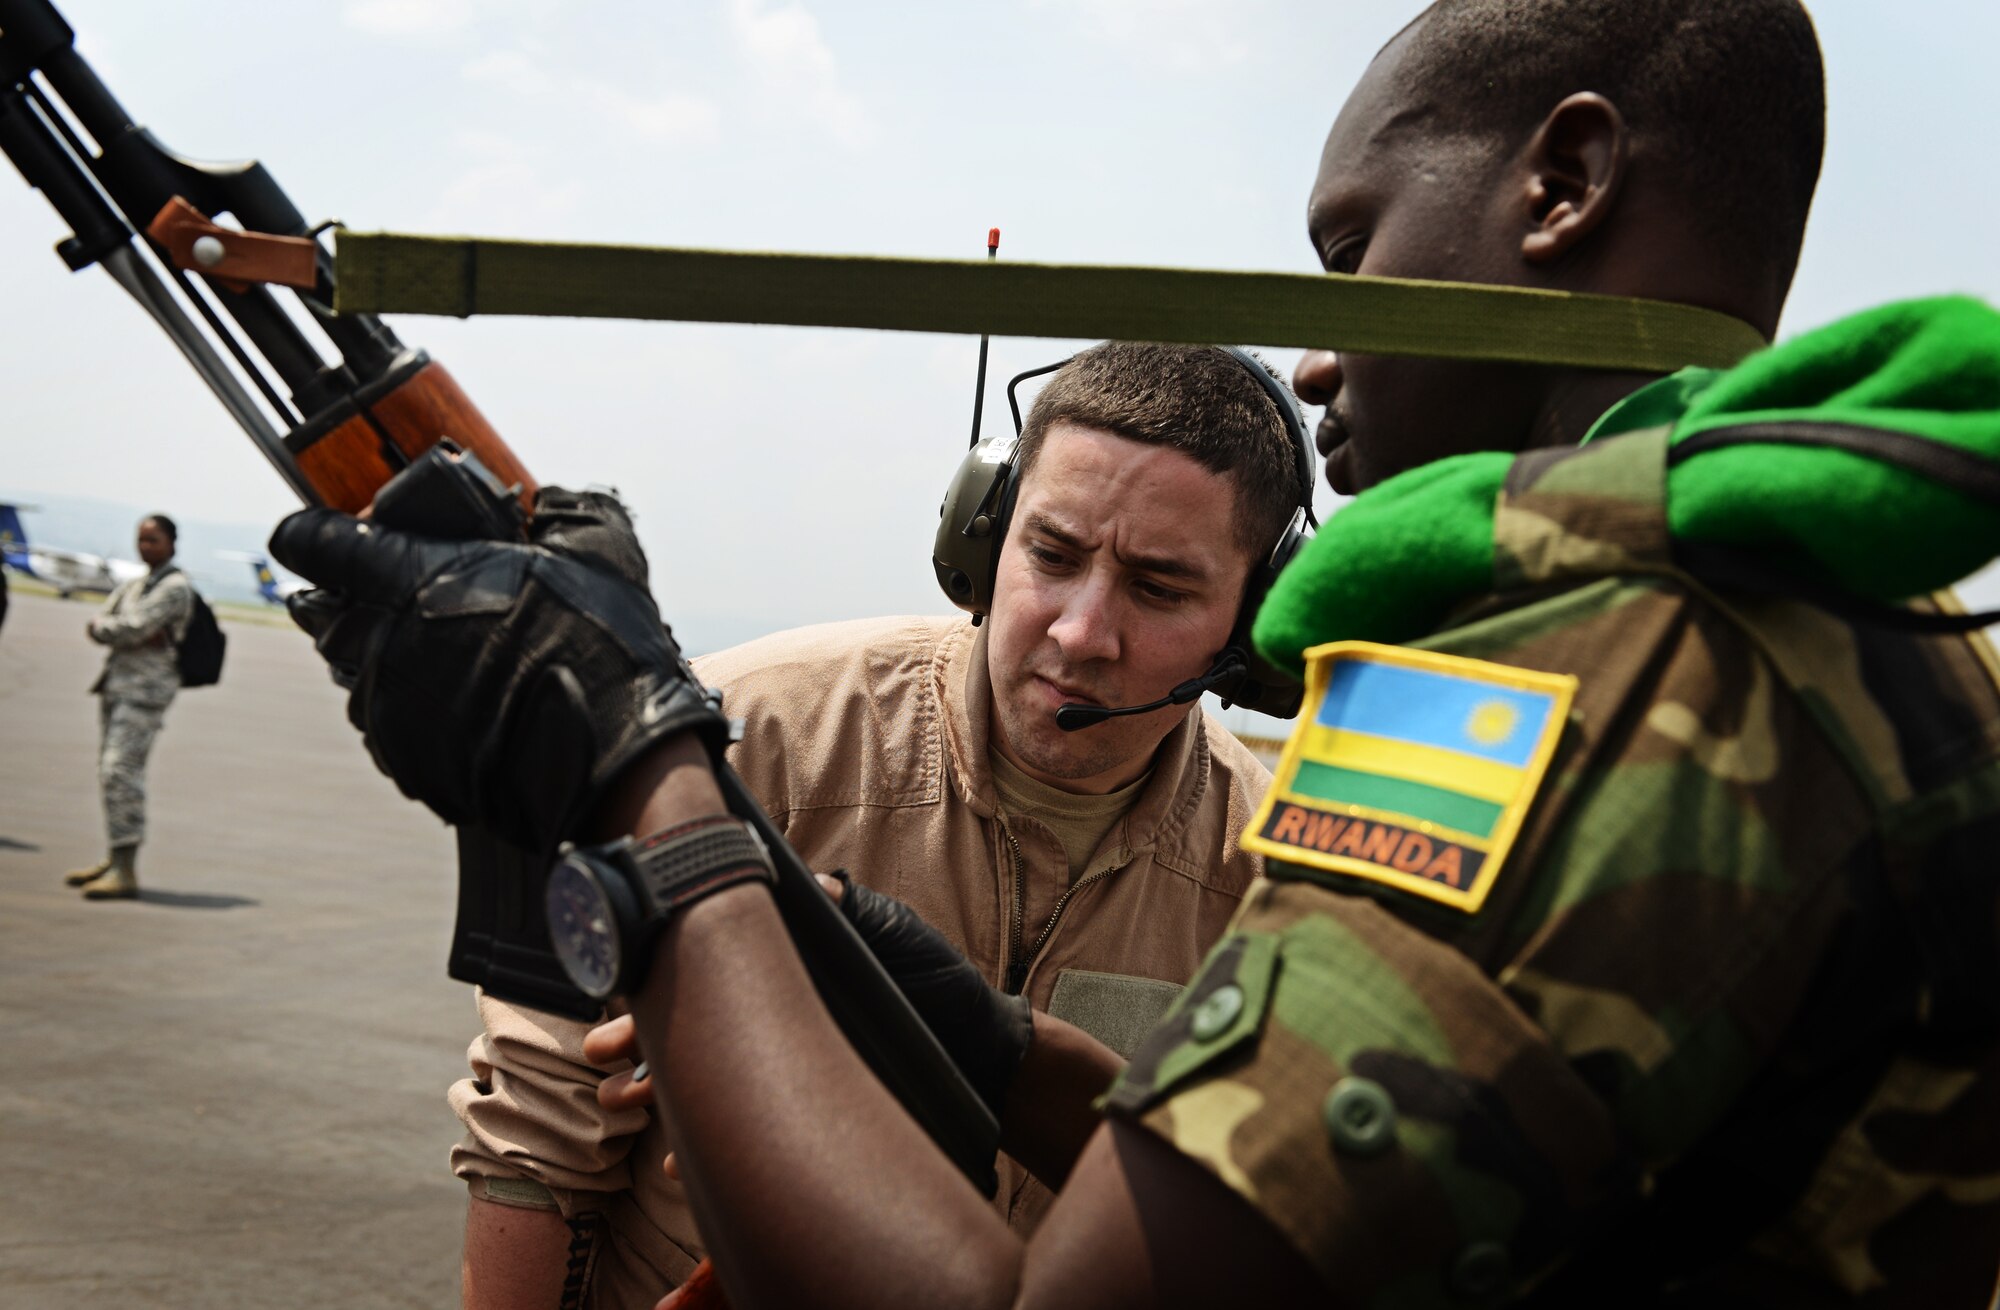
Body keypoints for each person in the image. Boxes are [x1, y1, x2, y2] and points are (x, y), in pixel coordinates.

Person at [273, 0, 2000, 1302]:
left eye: (1354, 248)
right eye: (1051, 554)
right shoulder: (1835, 611)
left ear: (1563, 183)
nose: (1325, 357)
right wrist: (982, 1038)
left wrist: (655, 797)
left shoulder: (1574, 677)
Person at [448, 343, 1306, 1307]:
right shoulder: (735, 733)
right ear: (984, 540)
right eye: (1051, 556)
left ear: (1254, 629)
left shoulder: (1279, 876)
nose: (1078, 632)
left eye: (1158, 588)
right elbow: (535, 1134)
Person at [64, 514, 193, 902]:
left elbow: (126, 627)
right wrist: (115, 629)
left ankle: (125, 867)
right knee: (110, 771)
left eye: (153, 540)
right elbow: (109, 623)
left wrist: (114, 629)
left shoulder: (175, 588)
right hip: (118, 686)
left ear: (172, 542)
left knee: (120, 771)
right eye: (141, 539)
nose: (145, 547)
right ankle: (114, 856)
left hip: (145, 693)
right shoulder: (136, 584)